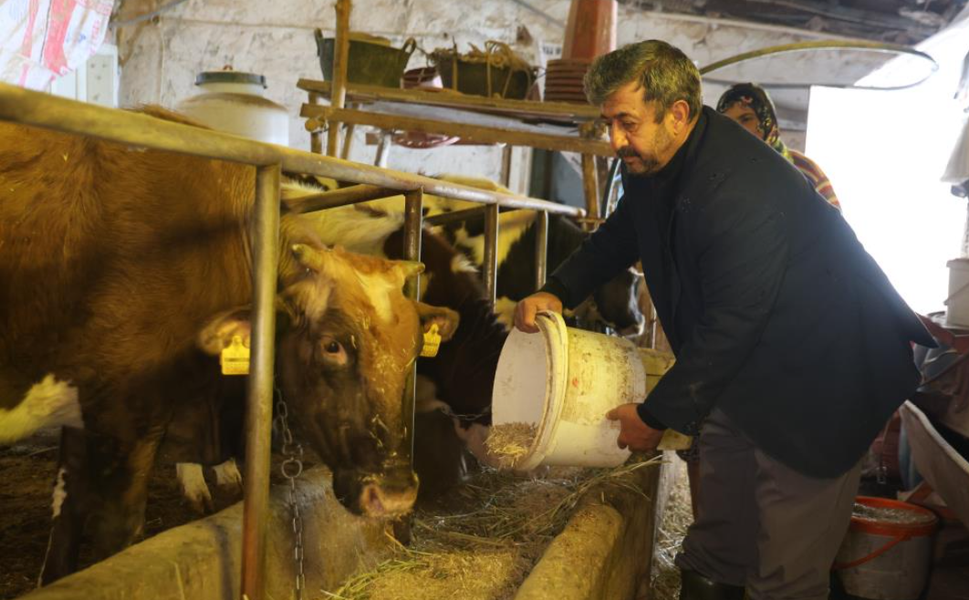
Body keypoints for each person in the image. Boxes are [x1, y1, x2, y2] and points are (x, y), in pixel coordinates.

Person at [513, 40, 934, 600]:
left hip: (824, 384)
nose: (614, 140)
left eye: (626, 122)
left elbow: (734, 322)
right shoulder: (656, 160)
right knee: (719, 540)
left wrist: (655, 415)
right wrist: (557, 290)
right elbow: (623, 232)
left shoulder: (742, 187)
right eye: (607, 122)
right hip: (749, 369)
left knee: (784, 570)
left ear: (678, 113)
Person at [716, 82, 841, 210]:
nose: (737, 128)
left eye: (746, 119)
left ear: (768, 122)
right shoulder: (716, 175)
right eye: (727, 122)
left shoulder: (805, 170)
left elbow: (836, 227)